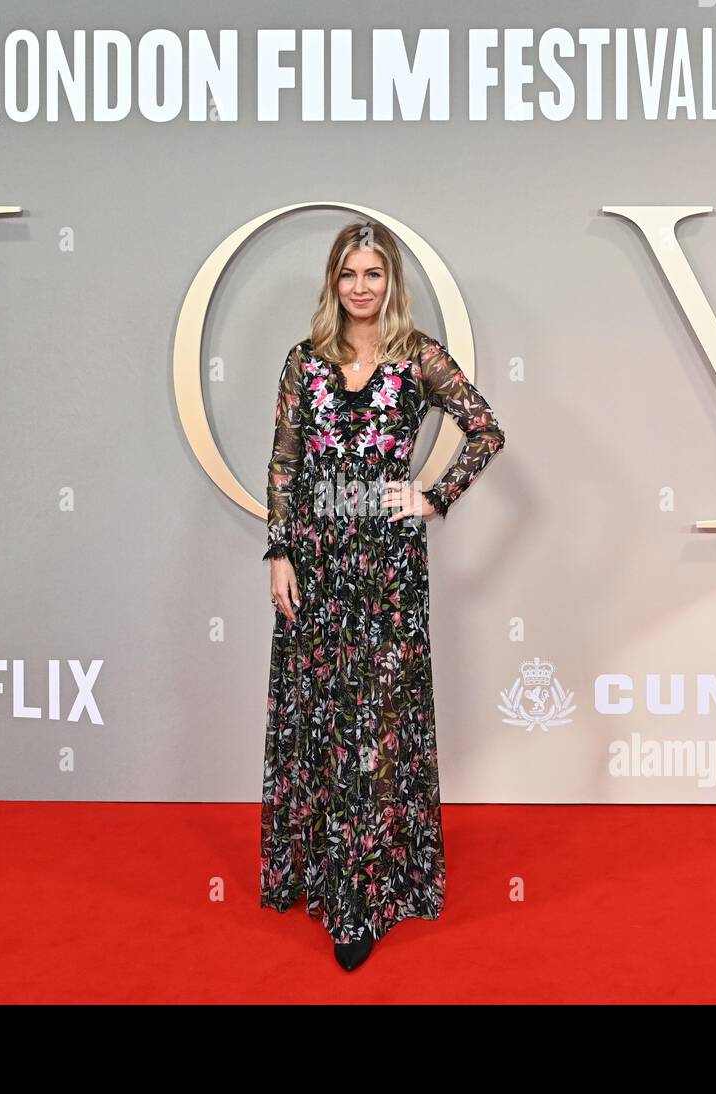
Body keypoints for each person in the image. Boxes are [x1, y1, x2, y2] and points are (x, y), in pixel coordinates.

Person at [259, 220, 507, 971]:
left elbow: (485, 430)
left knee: (379, 723)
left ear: (390, 281)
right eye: (348, 275)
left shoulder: (418, 355)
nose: (361, 288)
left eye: (373, 274)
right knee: (323, 712)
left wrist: (435, 496)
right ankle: (316, 871)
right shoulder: (304, 362)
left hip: (388, 565)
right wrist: (279, 551)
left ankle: (367, 898)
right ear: (332, 283)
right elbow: (285, 461)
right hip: (318, 560)